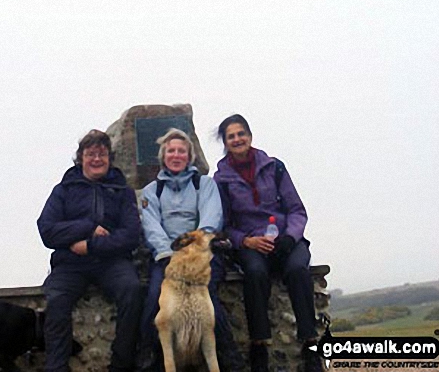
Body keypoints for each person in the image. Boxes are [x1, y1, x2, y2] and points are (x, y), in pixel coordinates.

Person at [213, 114, 321, 372]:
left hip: (285, 240)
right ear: (225, 143)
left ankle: (310, 345)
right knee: (255, 272)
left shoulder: (275, 167)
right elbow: (224, 225)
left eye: (241, 134)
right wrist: (246, 241)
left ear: (250, 135)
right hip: (251, 244)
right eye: (231, 136)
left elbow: (297, 210)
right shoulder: (221, 180)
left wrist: (289, 237)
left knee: (297, 270)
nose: (237, 139)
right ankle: (259, 345)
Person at [137, 128, 246, 372]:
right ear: (163, 156)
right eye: (171, 151)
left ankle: (231, 361)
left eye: (181, 151)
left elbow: (211, 218)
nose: (176, 155)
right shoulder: (151, 191)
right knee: (154, 301)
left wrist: (197, 249)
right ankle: (148, 361)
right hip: (167, 258)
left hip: (202, 257)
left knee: (210, 305)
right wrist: (167, 253)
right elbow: (151, 225)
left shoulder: (205, 184)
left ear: (189, 156)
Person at [37, 129, 143, 372]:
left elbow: (130, 235)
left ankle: (122, 364)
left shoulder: (122, 190)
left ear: (110, 158)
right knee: (56, 300)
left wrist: (91, 245)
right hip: (70, 263)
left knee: (132, 291)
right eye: (91, 154)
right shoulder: (63, 190)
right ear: (81, 158)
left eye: (102, 154)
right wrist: (87, 227)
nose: (97, 159)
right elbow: (47, 230)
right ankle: (56, 367)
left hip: (112, 262)